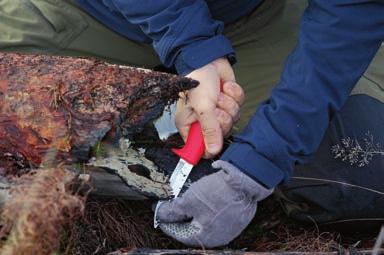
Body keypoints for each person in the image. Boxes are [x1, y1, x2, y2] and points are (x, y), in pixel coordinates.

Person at [1, 0, 383, 248]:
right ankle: (157, 118)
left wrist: (261, 162)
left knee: (359, 171)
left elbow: (352, 12)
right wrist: (194, 49)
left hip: (257, 21)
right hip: (93, 12)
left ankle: (175, 132)